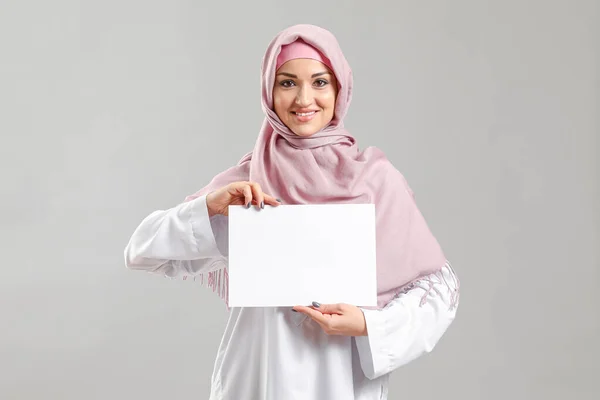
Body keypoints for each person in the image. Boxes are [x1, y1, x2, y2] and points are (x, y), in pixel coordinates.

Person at [124, 24, 460, 400]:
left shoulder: (375, 181)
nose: (304, 99)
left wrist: (369, 324)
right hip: (253, 381)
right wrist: (208, 209)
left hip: (339, 384)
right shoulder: (246, 184)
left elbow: (440, 291)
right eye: (287, 83)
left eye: (319, 82)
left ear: (339, 89)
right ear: (269, 91)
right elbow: (141, 253)